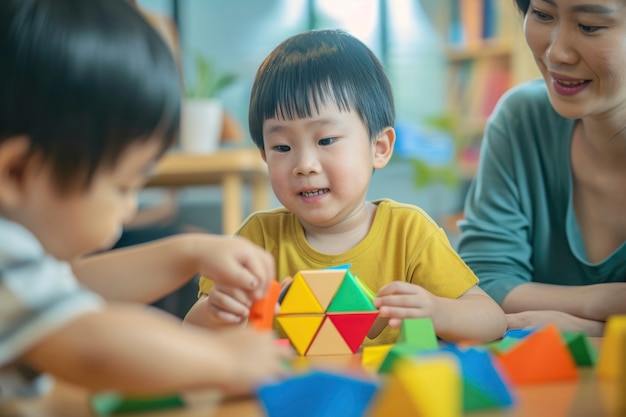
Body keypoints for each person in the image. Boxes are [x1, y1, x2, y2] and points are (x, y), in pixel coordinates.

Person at [0, 0, 291, 400]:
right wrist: (224, 360)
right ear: (15, 173)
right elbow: (92, 344)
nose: (132, 206)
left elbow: (79, 287)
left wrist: (190, 253)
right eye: (123, 186)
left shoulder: (18, 269)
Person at [184, 29, 507, 346]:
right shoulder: (258, 240)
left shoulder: (409, 232)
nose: (304, 164)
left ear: (379, 147)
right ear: (264, 156)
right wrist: (220, 311)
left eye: (326, 140)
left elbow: (491, 320)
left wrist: (439, 311)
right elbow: (191, 333)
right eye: (282, 147)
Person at [456, 0, 626, 337]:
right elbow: (484, 285)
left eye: (590, 26)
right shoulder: (522, 119)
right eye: (543, 15)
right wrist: (605, 303)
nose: (556, 53)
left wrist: (591, 331)